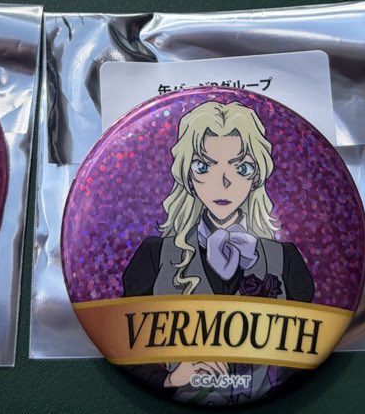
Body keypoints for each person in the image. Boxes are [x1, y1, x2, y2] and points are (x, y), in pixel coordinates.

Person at [122, 100, 313, 403]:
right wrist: (169, 380)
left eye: (241, 168)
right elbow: (123, 341)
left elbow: (309, 345)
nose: (223, 183)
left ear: (256, 176)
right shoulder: (154, 256)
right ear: (186, 175)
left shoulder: (285, 260)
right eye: (204, 166)